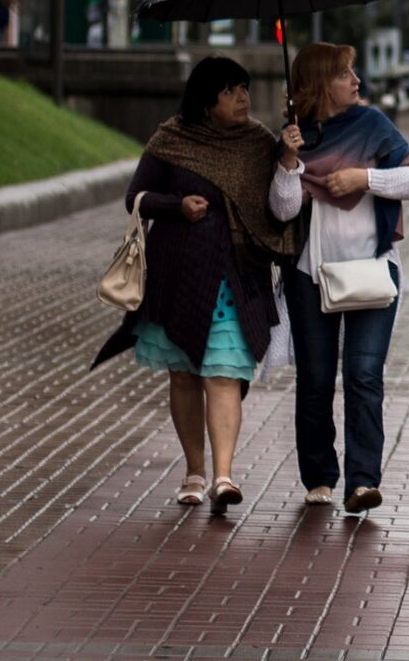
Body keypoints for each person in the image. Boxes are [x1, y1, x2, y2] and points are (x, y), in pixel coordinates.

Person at [94, 57, 293, 514]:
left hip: (235, 279)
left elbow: (280, 208)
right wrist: (176, 205)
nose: (243, 98)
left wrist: (287, 157)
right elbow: (135, 198)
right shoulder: (172, 139)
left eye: (244, 88)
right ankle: (194, 471)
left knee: (223, 374)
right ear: (206, 102)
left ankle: (224, 476)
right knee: (184, 376)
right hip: (176, 278)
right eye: (230, 91)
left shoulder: (258, 142)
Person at [272, 42, 409, 514]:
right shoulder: (295, 138)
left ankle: (362, 481)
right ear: (319, 84)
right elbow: (283, 208)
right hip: (310, 274)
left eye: (353, 71)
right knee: (315, 378)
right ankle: (319, 476)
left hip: (373, 271)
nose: (356, 81)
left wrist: (365, 178)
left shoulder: (372, 125)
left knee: (362, 373)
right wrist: (287, 162)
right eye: (344, 74)